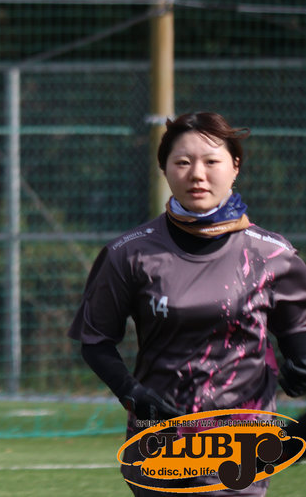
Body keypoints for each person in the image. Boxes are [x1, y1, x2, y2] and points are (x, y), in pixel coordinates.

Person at [69, 111, 306, 496]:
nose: (197, 174)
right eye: (182, 162)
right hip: (158, 441)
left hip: (240, 444)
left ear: (235, 166)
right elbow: (96, 341)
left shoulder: (273, 255)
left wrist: (299, 367)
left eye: (211, 161)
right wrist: (132, 394)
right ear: (163, 168)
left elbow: (299, 339)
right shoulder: (128, 254)